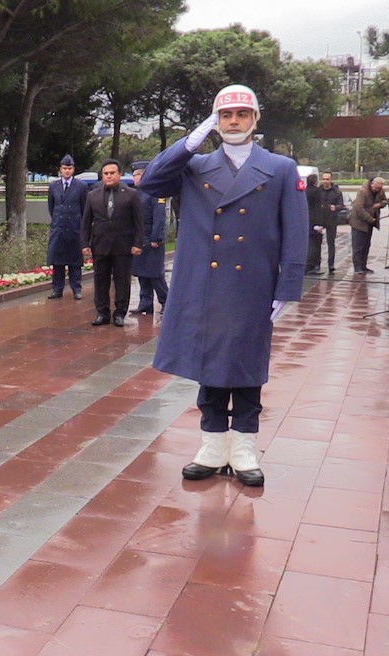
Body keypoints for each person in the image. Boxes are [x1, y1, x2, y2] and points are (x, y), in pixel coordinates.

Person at [140, 84, 307, 488]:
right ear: (215, 121)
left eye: (242, 115)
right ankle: (213, 445)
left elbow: (296, 230)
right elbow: (150, 182)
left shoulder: (281, 168)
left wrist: (288, 285)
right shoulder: (195, 167)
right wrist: (188, 143)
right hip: (206, 283)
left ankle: (245, 446)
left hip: (253, 282)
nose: (234, 122)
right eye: (225, 116)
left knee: (247, 365)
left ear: (255, 120)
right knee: (210, 363)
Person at [80, 159, 143, 327]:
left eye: (112, 173)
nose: (108, 176)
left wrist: (138, 243)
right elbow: (86, 221)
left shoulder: (131, 194)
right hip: (100, 245)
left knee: (122, 281)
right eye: (105, 173)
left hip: (123, 245)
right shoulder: (92, 195)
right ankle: (102, 313)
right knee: (100, 280)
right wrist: (84, 243)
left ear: (119, 174)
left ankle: (120, 313)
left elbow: (139, 222)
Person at [46, 155, 88, 299]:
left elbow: (84, 208)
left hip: (75, 228)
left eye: (69, 168)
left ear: (73, 170)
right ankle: (57, 289)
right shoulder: (53, 186)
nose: (67, 171)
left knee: (75, 262)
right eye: (65, 168)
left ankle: (76, 289)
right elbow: (51, 207)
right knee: (58, 262)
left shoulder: (81, 186)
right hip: (58, 228)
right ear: (60, 169)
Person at [130, 161, 168, 315]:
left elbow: (159, 217)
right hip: (140, 239)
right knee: (142, 274)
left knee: (155, 274)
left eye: (136, 175)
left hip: (152, 240)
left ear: (143, 174)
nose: (134, 179)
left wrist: (156, 238)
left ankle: (166, 301)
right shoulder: (137, 193)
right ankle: (145, 303)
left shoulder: (156, 192)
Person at [348, 176, 386, 275]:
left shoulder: (380, 191)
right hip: (359, 223)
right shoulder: (362, 192)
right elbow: (358, 208)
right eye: (376, 188)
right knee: (358, 246)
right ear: (372, 184)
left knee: (366, 245)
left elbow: (386, 201)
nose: (377, 190)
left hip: (370, 224)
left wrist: (380, 204)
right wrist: (370, 219)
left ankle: (364, 266)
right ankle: (357, 268)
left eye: (379, 188)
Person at [316, 171, 344, 274]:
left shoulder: (336, 192)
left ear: (331, 180)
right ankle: (316, 264)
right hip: (320, 219)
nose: (325, 181)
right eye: (324, 179)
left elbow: (341, 205)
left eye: (327, 179)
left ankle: (331, 264)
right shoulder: (318, 190)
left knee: (331, 243)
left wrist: (335, 207)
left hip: (332, 219)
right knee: (316, 243)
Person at [304, 173, 323, 275]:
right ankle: (311, 266)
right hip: (314, 221)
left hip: (306, 221)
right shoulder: (316, 192)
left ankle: (307, 265)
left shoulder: (304, 191)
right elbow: (317, 208)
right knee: (315, 245)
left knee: (308, 244)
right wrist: (319, 223)